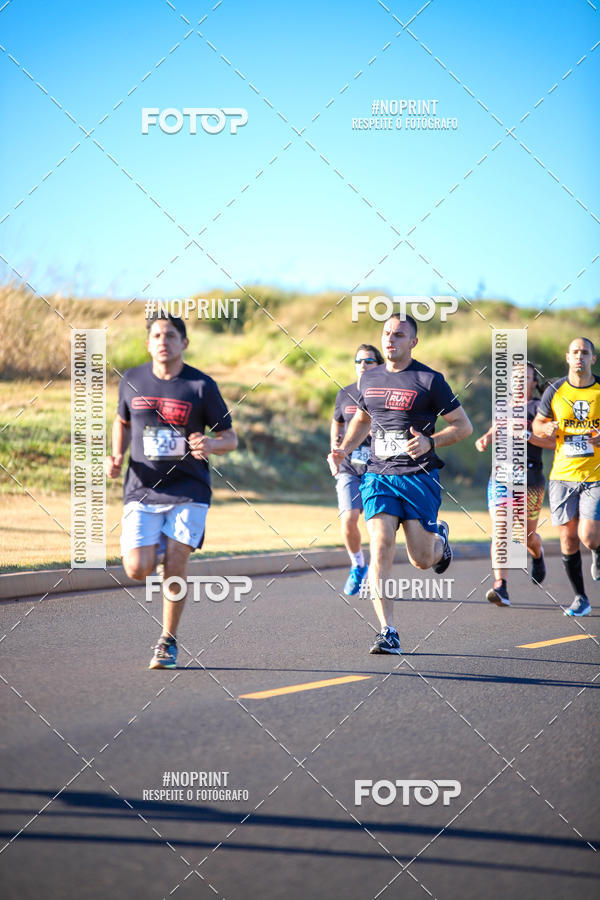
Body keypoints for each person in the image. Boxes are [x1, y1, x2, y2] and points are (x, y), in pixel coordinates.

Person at [330, 314, 473, 654]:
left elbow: (463, 426)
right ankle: (388, 631)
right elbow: (363, 418)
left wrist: (430, 441)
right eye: (386, 333)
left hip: (418, 477)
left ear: (413, 342)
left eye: (399, 335)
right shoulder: (369, 378)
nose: (390, 339)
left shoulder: (429, 380)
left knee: (421, 559)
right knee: (380, 545)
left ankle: (440, 540)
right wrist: (343, 449)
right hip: (378, 476)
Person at [105, 313, 237, 667]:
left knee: (177, 562)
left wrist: (211, 444)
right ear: (148, 344)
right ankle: (160, 546)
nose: (163, 341)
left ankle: (167, 641)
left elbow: (230, 438)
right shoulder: (132, 380)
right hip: (142, 489)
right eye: (157, 336)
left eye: (170, 335)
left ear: (184, 343)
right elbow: (122, 422)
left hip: (189, 489)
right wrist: (116, 455)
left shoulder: (201, 385)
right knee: (137, 569)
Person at [475, 362, 555, 607]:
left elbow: (553, 442)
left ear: (534, 382)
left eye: (526, 377)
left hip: (530, 481)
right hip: (502, 477)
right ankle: (501, 586)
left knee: (527, 536)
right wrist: (486, 438)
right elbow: (496, 429)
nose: (520, 381)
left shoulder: (540, 409)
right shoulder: (503, 406)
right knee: (501, 527)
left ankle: (537, 553)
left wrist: (527, 435)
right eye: (516, 377)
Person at [533, 337, 600, 616]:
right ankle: (580, 598)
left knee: (589, 537)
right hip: (562, 476)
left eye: (585, 352)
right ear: (567, 357)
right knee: (568, 539)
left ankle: (597, 549)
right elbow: (537, 424)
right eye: (575, 352)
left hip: (595, 476)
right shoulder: (555, 390)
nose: (579, 356)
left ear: (593, 358)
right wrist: (545, 429)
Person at [328, 344, 383, 595]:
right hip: (349, 467)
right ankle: (358, 564)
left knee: (375, 526)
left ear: (379, 365)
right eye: (359, 360)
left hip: (378, 468)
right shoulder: (345, 393)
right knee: (349, 519)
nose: (363, 365)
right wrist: (335, 446)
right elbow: (337, 422)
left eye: (369, 361)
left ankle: (377, 573)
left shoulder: (385, 394)